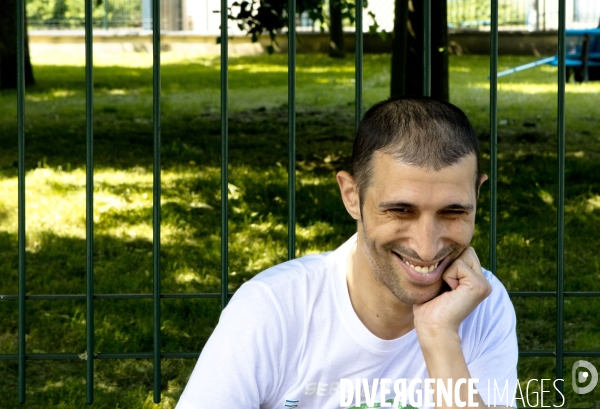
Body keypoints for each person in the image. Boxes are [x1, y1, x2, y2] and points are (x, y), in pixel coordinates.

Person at [177, 97, 518, 409]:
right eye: (400, 211)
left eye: (453, 212)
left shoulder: (480, 302)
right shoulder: (273, 309)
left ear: (476, 195)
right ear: (352, 195)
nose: (426, 246)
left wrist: (440, 334)